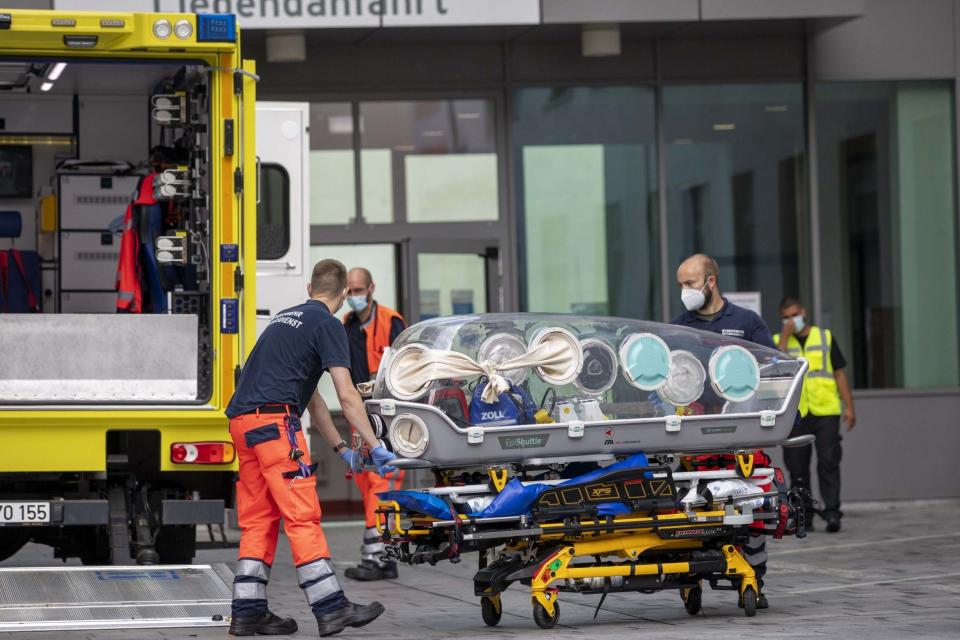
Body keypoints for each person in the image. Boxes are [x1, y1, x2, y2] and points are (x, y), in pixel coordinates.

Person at [225, 259, 397, 637]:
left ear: (309, 289)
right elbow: (347, 396)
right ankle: (331, 607)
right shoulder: (329, 325)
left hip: (243, 423)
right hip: (274, 425)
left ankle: (248, 609)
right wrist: (375, 444)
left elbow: (312, 398)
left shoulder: (285, 320)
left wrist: (341, 449)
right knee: (302, 515)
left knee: (258, 520)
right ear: (342, 295)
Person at [671, 253, 774, 610]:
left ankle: (755, 580)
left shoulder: (747, 322)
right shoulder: (678, 327)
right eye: (681, 285)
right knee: (692, 505)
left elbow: (770, 366)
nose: (684, 291)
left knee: (751, 504)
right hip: (696, 434)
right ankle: (692, 577)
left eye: (689, 284)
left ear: (710, 281)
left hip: (740, 431)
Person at [341, 267, 407, 581]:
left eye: (358, 290)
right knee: (368, 483)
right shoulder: (347, 325)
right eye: (349, 291)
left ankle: (380, 558)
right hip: (361, 413)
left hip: (388, 415)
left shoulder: (391, 322)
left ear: (371, 288)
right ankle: (378, 554)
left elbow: (402, 370)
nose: (354, 296)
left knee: (384, 484)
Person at [774, 296, 856, 533]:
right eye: (786, 317)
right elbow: (775, 366)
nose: (792, 320)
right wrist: (786, 336)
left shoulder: (825, 337)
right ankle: (804, 515)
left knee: (829, 461)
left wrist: (849, 407)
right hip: (796, 414)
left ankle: (832, 513)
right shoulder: (779, 340)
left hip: (825, 410)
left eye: (794, 315)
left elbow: (839, 374)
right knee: (797, 466)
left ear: (804, 312)